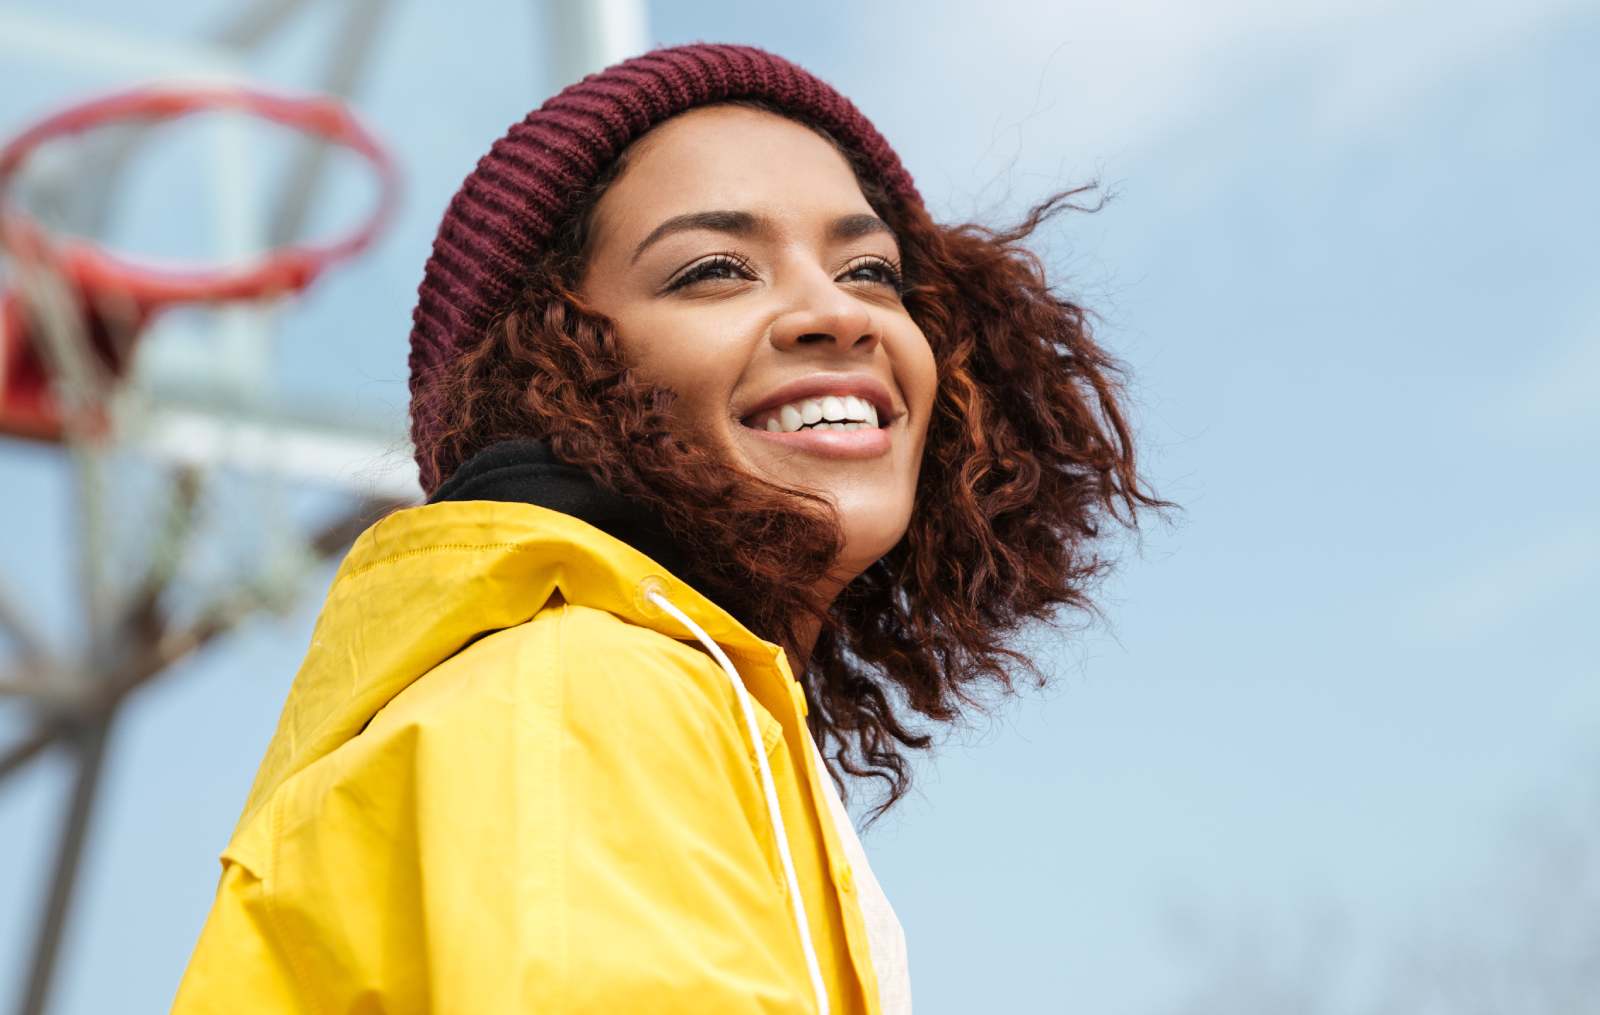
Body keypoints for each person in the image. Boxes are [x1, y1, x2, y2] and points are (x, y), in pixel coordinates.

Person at [171, 43, 1167, 1014]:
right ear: (548, 371)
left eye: (870, 269)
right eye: (714, 270)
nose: (838, 313)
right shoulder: (582, 697)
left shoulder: (615, 700)